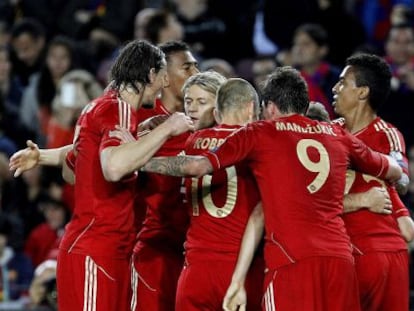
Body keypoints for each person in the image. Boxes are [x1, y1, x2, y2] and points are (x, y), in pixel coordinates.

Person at [139, 67, 402, 311]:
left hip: (288, 260)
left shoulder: (261, 133)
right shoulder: (337, 134)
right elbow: (393, 169)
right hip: (339, 259)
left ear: (270, 107)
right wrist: (396, 172)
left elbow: (196, 167)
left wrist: (140, 161)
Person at [9, 39, 194, 311]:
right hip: (97, 249)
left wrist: (43, 156)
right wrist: (166, 129)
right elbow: (114, 168)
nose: (164, 84)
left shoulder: (101, 108)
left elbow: (76, 166)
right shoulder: (117, 108)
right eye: (162, 75)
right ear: (150, 74)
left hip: (97, 249)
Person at [332, 53, 414, 311]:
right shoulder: (327, 133)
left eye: (343, 82)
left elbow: (401, 178)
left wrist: (357, 156)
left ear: (363, 92)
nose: (335, 88)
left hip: (381, 254)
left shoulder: (386, 134)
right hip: (340, 252)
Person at [175, 77, 263, 311]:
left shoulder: (192, 141)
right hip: (240, 269)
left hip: (194, 272)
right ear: (251, 109)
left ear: (216, 113)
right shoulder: (256, 143)